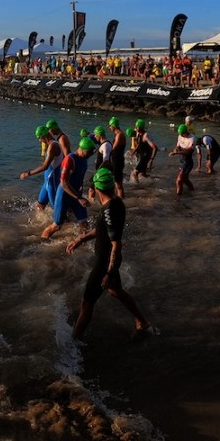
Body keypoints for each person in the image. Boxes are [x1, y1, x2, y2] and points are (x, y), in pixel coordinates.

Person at [66, 168, 153, 341]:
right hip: (107, 260)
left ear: (97, 189)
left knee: (87, 302)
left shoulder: (109, 211)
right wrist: (81, 239)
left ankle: (72, 343)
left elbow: (116, 245)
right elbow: (101, 229)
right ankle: (142, 322)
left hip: (104, 262)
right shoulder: (116, 203)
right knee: (115, 291)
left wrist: (110, 272)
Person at [40, 137, 94, 239]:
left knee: (84, 225)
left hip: (76, 196)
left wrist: (80, 195)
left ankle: (80, 248)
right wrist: (79, 198)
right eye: (89, 152)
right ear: (82, 148)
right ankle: (41, 243)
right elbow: (64, 183)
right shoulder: (70, 159)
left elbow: (79, 179)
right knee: (56, 226)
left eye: (92, 152)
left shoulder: (84, 159)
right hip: (64, 196)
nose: (90, 154)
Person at [168, 124, 196, 198]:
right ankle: (193, 192)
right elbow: (178, 146)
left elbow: (188, 152)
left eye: (182, 134)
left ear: (186, 132)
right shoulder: (180, 136)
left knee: (179, 181)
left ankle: (178, 198)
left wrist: (176, 153)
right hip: (182, 160)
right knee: (185, 180)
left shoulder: (192, 138)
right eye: (180, 135)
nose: (181, 136)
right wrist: (175, 150)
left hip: (188, 162)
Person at [107, 117, 127, 198]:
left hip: (118, 161)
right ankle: (119, 198)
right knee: (117, 183)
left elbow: (113, 148)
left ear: (114, 126)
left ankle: (120, 201)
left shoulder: (119, 135)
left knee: (118, 184)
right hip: (116, 160)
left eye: (110, 126)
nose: (109, 127)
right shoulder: (118, 134)